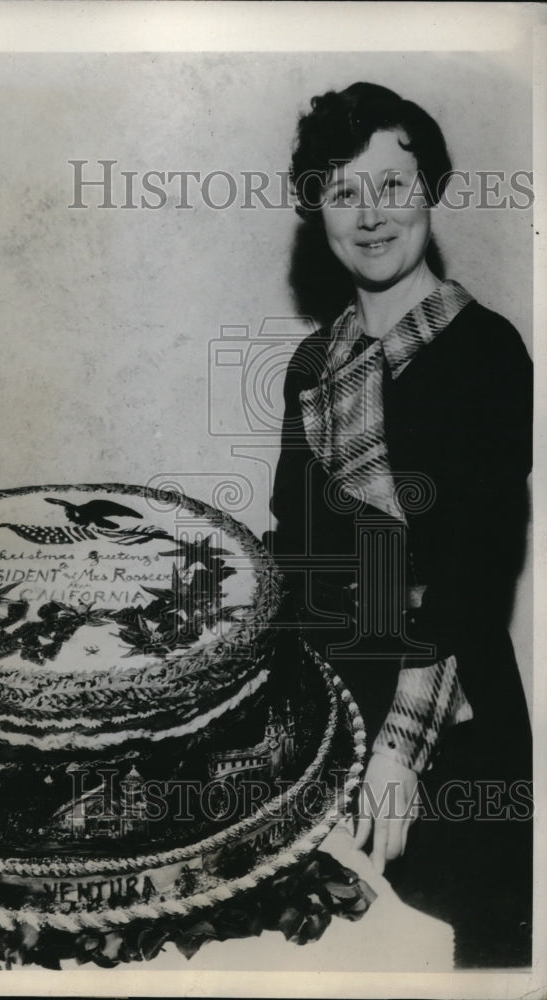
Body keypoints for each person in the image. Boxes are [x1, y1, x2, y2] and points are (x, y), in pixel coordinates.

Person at [267, 82, 533, 968]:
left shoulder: (487, 352)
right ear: (319, 211)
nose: (371, 214)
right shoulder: (314, 365)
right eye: (344, 191)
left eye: (392, 184)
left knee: (460, 956)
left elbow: (474, 567)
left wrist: (398, 754)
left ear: (432, 190)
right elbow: (294, 553)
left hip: (448, 730)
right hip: (328, 717)